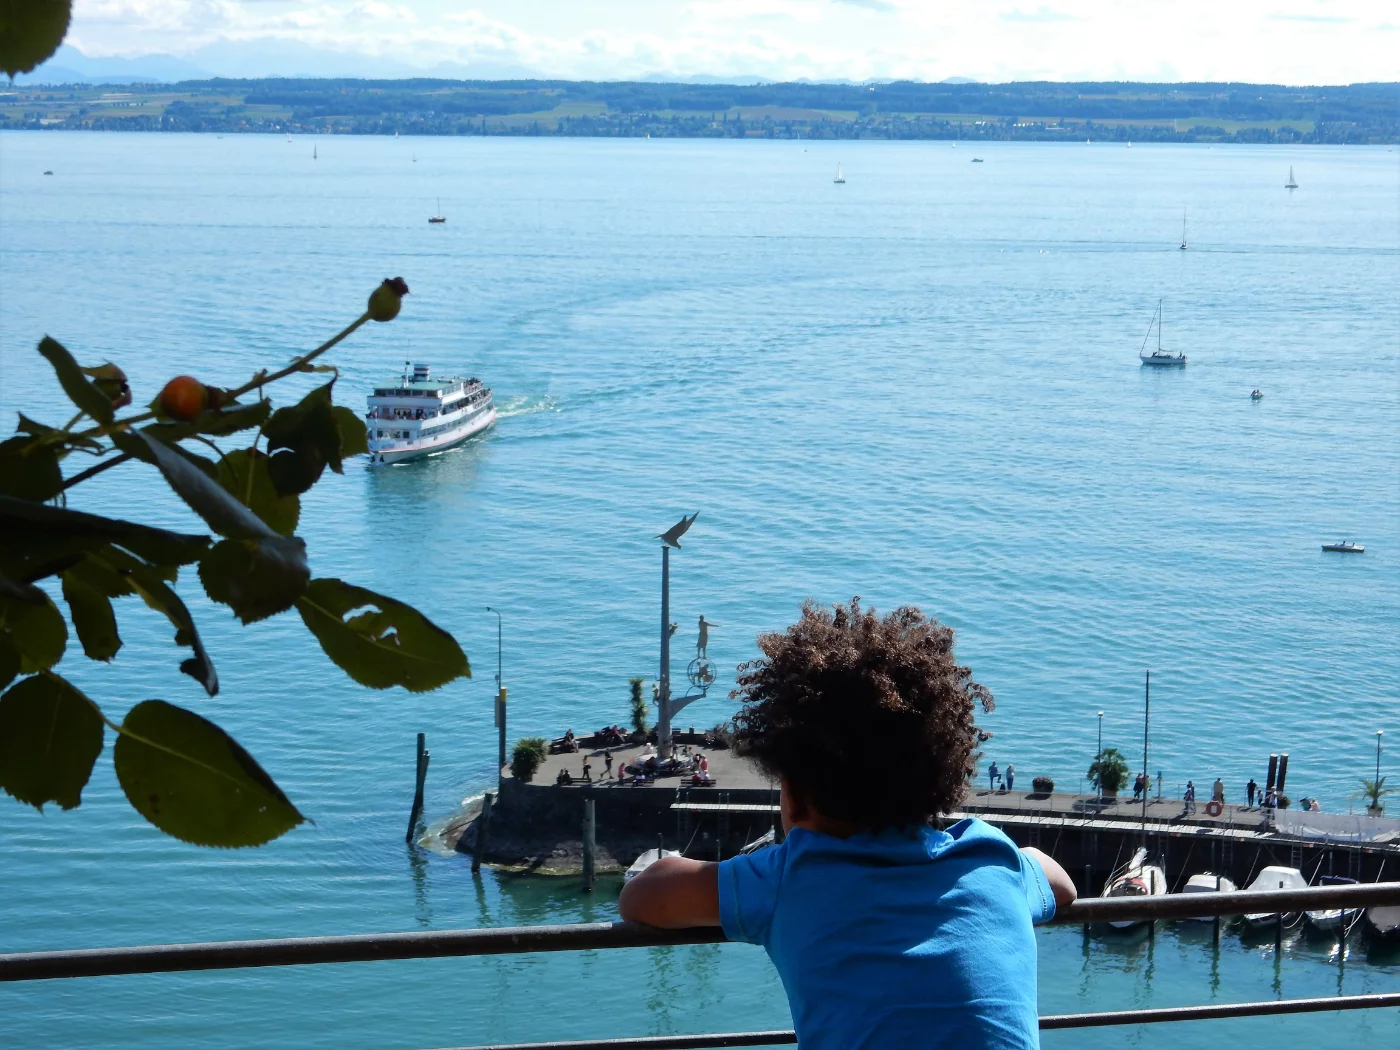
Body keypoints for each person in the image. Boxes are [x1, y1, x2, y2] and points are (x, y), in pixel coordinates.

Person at [618, 599, 1076, 1050]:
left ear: (795, 796)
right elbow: (1061, 886)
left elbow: (642, 897)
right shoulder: (989, 856)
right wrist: (1015, 861)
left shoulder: (789, 876)